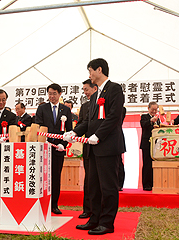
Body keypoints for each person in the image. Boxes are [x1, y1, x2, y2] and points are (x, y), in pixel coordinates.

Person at [64, 58, 125, 235]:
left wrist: (98, 135)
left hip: (107, 146)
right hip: (92, 148)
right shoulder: (94, 95)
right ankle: (94, 219)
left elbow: (113, 117)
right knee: (94, 187)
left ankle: (107, 223)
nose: (89, 75)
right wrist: (74, 133)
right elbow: (88, 122)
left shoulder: (114, 89)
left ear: (99, 70)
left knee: (108, 186)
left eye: (90, 71)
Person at [35, 83, 72, 214]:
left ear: (60, 94)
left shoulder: (65, 110)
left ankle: (54, 204)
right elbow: (38, 125)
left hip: (58, 149)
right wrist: (44, 140)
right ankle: (41, 203)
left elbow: (69, 130)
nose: (52, 96)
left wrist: (63, 143)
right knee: (42, 176)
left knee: (55, 176)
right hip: (44, 148)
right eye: (50, 93)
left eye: (54, 93)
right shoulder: (42, 108)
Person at [76, 79, 97, 219]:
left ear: (94, 88)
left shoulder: (105, 103)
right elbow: (81, 123)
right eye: (83, 90)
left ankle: (98, 211)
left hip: (102, 145)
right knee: (88, 180)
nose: (85, 92)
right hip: (88, 147)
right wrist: (73, 133)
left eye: (87, 89)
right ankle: (87, 209)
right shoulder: (84, 106)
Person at [140, 102, 160, 191]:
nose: (154, 111)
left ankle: (154, 183)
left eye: (156, 110)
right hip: (146, 144)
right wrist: (151, 120)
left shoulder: (158, 118)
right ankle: (146, 184)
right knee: (147, 164)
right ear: (148, 108)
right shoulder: (144, 117)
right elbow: (143, 125)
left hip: (156, 144)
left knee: (155, 164)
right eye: (152, 109)